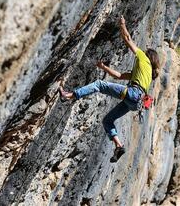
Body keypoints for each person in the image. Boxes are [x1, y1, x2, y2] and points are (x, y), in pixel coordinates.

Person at [59, 16, 160, 163]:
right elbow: (119, 76)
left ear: (148, 56)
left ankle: (69, 95)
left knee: (99, 84)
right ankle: (119, 145)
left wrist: (122, 24)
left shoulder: (143, 58)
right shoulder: (147, 75)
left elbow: (128, 38)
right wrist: (104, 67)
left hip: (133, 94)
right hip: (135, 103)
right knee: (108, 120)